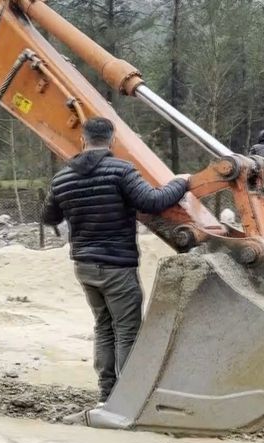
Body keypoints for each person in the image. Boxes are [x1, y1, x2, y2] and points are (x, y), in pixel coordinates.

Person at [41, 117, 189, 406]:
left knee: (103, 326)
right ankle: (130, 397)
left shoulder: (62, 178)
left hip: (84, 266)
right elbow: (154, 202)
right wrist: (181, 183)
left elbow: (49, 218)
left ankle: (107, 394)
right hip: (117, 266)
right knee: (127, 330)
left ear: (82, 140)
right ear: (112, 141)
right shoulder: (120, 171)